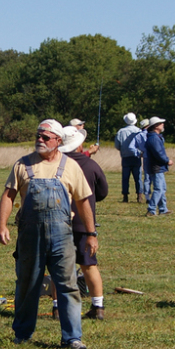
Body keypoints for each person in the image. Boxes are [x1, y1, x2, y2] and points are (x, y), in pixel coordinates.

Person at [0, 119, 97, 349]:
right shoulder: (22, 165)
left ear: (58, 141)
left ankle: (72, 338)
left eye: (45, 137)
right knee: (27, 285)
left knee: (68, 285)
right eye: (38, 136)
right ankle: (22, 334)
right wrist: (2, 225)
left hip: (62, 237)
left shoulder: (71, 166)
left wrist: (91, 233)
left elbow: (83, 202)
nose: (39, 140)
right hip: (30, 236)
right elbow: (8, 196)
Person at [59, 126, 109, 319]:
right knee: (89, 265)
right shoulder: (90, 165)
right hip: (84, 224)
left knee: (59, 265)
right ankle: (98, 306)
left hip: (60, 220)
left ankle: (57, 307)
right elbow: (103, 191)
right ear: (79, 144)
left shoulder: (57, 163)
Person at [144, 116, 173, 217]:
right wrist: (167, 160)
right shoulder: (154, 139)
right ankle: (151, 210)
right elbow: (158, 153)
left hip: (157, 166)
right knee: (159, 189)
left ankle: (163, 209)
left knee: (162, 188)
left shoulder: (154, 137)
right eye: (161, 123)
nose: (163, 125)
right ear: (156, 126)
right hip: (157, 167)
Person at [114, 112, 142, 202]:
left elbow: (117, 145)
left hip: (125, 157)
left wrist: (123, 150)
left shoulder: (121, 131)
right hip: (136, 156)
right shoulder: (139, 131)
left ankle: (125, 196)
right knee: (138, 178)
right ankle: (139, 196)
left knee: (125, 178)